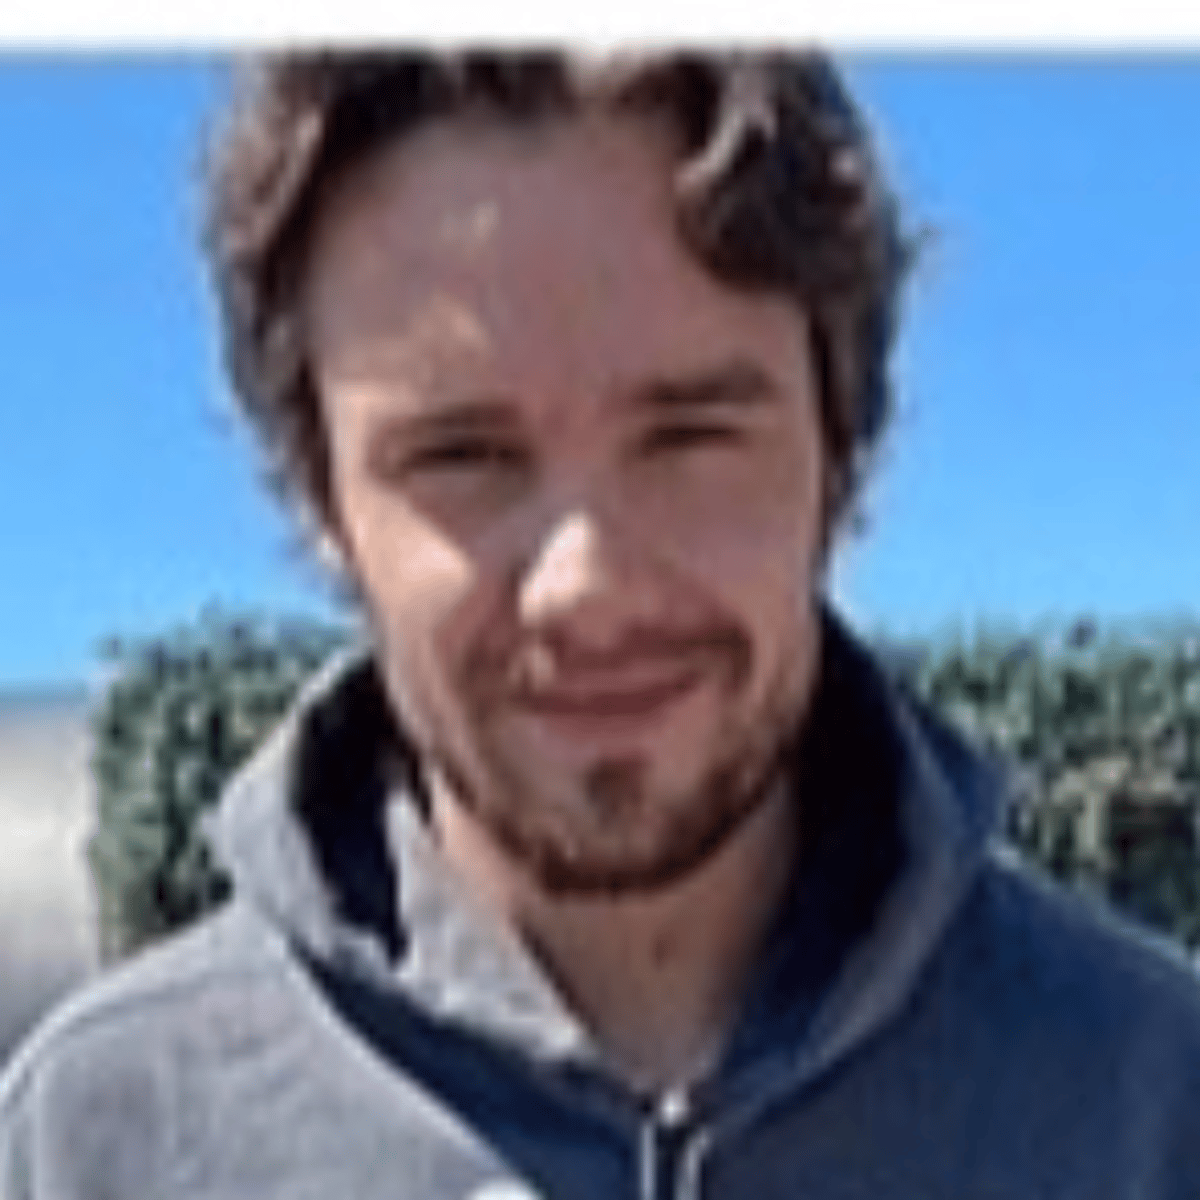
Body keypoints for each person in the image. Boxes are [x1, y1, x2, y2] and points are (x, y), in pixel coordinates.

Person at [2, 49, 1199, 1200]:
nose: (586, 584)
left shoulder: (1152, 1104)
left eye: (688, 437)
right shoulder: (97, 1141)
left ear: (840, 446)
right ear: (326, 501)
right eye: (462, 455)